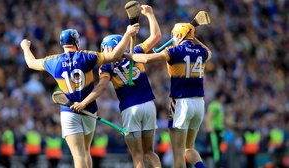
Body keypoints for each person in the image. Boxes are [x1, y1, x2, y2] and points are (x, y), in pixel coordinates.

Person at [20, 25, 139, 168]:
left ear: (61, 44)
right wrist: (127, 35)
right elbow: (114, 56)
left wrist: (25, 47)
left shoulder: (53, 61)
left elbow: (31, 63)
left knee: (78, 154)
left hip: (69, 111)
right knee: (86, 150)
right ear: (77, 42)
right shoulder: (87, 56)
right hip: (89, 110)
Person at [71, 5, 162, 168]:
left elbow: (102, 87)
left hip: (130, 110)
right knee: (150, 152)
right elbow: (156, 35)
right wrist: (150, 14)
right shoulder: (136, 51)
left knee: (138, 156)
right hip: (149, 106)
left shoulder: (106, 67)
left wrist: (83, 103)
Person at [125, 23, 211, 168]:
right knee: (189, 148)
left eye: (174, 36)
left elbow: (147, 59)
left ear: (179, 35)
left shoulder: (175, 50)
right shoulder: (201, 51)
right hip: (199, 104)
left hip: (181, 103)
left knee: (178, 152)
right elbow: (210, 51)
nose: (173, 39)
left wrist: (129, 55)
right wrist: (192, 36)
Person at [206, 91, 227, 167]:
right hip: (214, 130)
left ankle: (219, 164)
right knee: (215, 149)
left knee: (221, 148)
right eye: (223, 96)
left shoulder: (220, 106)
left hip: (220, 130)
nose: (224, 98)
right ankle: (216, 165)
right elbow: (209, 117)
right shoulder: (214, 105)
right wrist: (209, 127)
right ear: (220, 97)